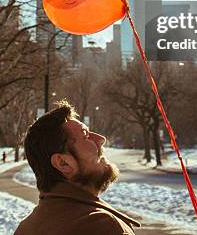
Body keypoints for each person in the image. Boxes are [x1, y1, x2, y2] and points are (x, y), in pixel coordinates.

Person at [14, 101, 140, 235]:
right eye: (85, 135)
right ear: (63, 163)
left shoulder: (25, 228)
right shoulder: (102, 226)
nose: (101, 139)